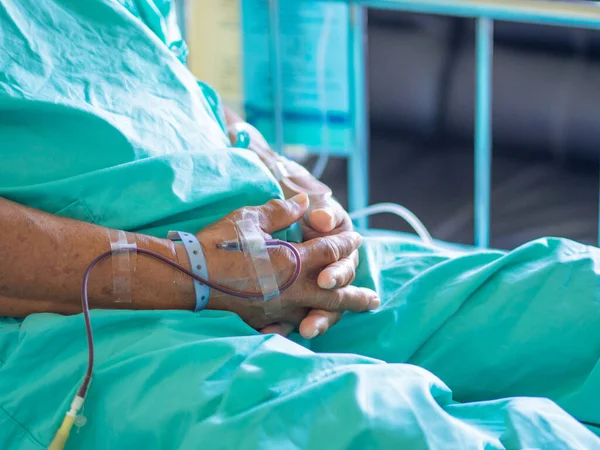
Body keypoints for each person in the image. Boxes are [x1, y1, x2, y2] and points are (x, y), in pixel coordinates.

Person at [0, 1, 598, 449]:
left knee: (577, 292)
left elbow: (174, 87)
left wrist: (283, 174)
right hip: (76, 321)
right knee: (402, 430)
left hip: (278, 260)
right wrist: (197, 275)